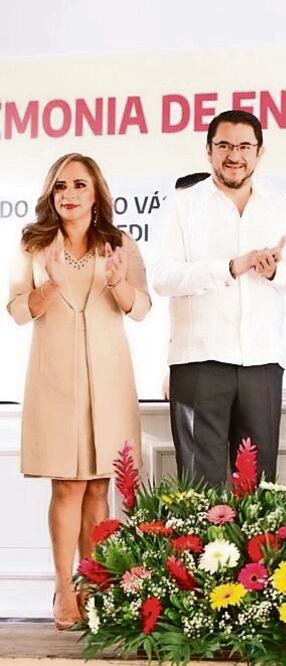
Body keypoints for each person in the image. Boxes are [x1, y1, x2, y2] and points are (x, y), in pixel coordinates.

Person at [6, 153, 151, 629]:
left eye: (79, 185)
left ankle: (94, 584)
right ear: (52, 194)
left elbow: (142, 307)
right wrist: (46, 286)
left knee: (98, 486)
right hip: (56, 379)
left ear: (96, 194)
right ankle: (64, 590)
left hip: (109, 378)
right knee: (67, 484)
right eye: (61, 186)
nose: (69, 194)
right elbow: (17, 310)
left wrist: (117, 284)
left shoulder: (119, 243)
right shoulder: (32, 245)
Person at [152, 109, 286, 487]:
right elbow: (162, 278)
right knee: (200, 489)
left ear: (260, 153)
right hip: (198, 361)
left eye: (245, 146)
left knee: (259, 490)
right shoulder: (183, 205)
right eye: (224, 145)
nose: (234, 155)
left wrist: (275, 272)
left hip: (261, 363)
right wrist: (229, 267)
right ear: (208, 151)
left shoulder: (282, 208)